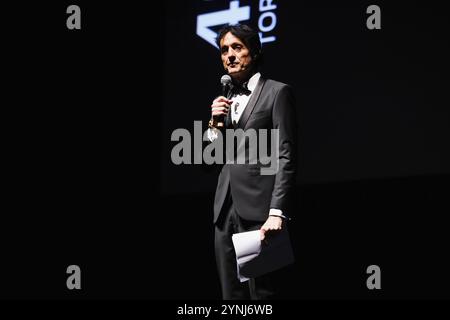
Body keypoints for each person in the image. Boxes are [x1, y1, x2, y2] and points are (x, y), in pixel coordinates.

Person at [207, 24, 297, 300]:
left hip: (259, 210)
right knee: (230, 296)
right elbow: (209, 161)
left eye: (237, 47)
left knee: (264, 293)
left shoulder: (277, 93)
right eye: (224, 50)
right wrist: (214, 126)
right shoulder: (224, 101)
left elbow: (286, 154)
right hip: (225, 211)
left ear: (255, 51)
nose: (230, 55)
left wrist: (277, 211)